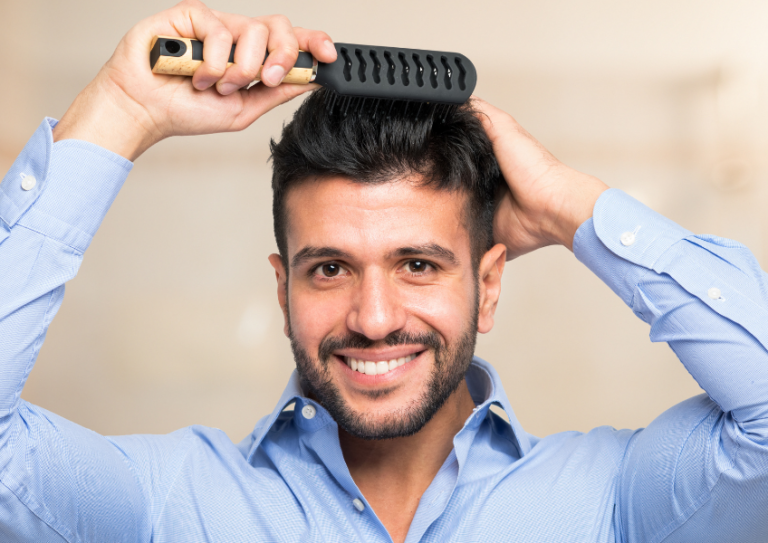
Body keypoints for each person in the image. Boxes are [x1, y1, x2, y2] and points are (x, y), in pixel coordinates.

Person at [1, 0, 766, 541]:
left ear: (489, 283)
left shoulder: (615, 502)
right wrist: (118, 112)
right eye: (330, 267)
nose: (373, 317)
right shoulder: (165, 505)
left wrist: (575, 209)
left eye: (419, 264)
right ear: (283, 287)